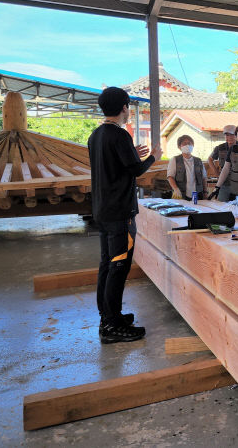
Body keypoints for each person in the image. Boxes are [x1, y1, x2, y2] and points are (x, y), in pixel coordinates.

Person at [88, 86, 161, 344]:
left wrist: (134, 155)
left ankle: (109, 315)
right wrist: (153, 157)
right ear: (123, 108)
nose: (129, 111)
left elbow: (119, 165)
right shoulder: (119, 135)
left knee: (107, 264)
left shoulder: (96, 135)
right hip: (120, 212)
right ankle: (111, 326)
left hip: (103, 210)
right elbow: (136, 170)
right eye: (128, 107)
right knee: (119, 265)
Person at [166, 135, 207, 201]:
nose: (187, 145)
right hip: (181, 194)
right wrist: (176, 189)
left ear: (193, 145)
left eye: (189, 143)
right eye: (184, 144)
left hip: (196, 194)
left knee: (197, 209)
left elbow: (204, 178)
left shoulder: (198, 161)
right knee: (183, 210)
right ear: (179, 147)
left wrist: (205, 192)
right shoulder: (175, 160)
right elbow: (170, 177)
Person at [207, 124, 237, 202]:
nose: (229, 137)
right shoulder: (220, 148)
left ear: (236, 135)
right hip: (224, 182)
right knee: (222, 205)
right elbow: (210, 159)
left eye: (231, 135)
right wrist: (216, 173)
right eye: (227, 135)